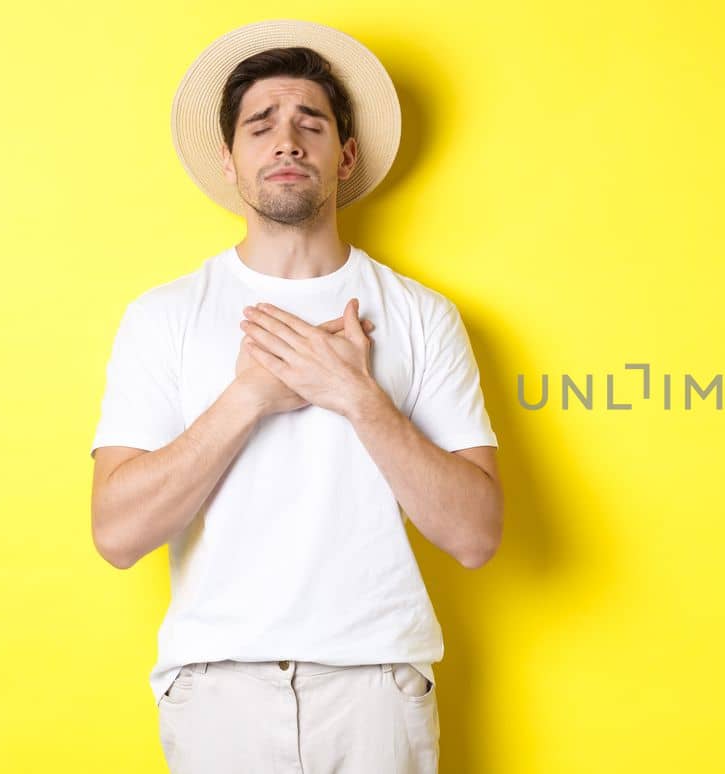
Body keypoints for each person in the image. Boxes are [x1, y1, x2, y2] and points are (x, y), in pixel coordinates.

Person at [89, 20, 502, 773]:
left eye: (310, 123)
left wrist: (355, 395)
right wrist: (249, 396)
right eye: (261, 126)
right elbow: (117, 534)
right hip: (217, 691)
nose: (286, 141)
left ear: (344, 156)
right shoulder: (165, 314)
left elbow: (476, 535)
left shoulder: (420, 314)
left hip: (377, 687)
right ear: (232, 159)